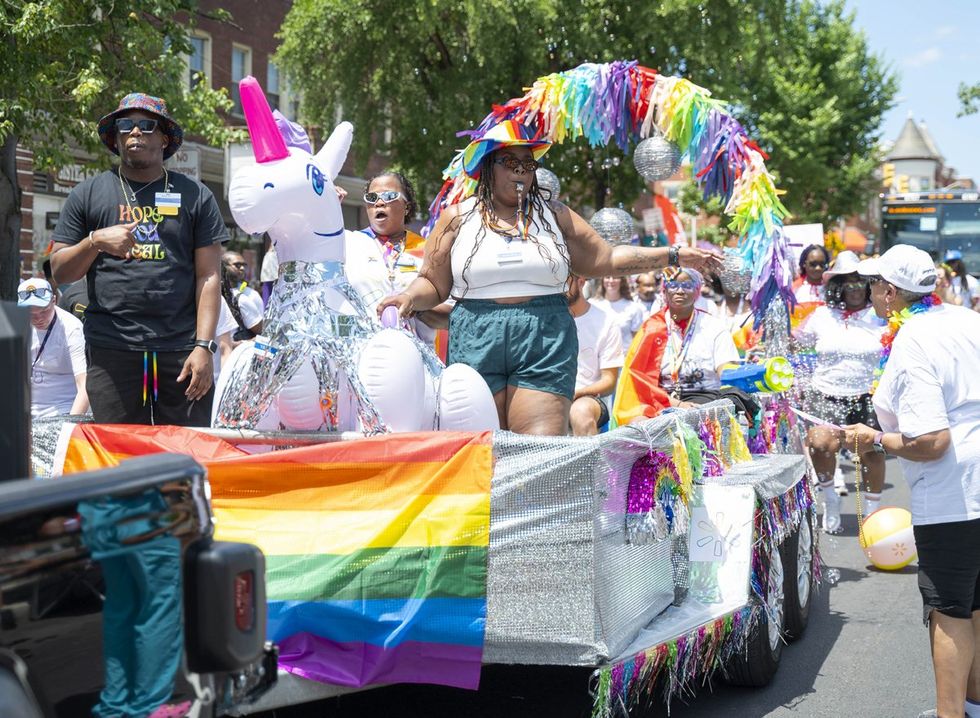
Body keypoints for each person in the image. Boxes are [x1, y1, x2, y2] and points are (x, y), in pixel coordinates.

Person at [378, 120, 721, 435]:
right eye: (512, 163)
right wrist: (408, 297)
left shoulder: (555, 215)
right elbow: (434, 284)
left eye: (529, 165)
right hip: (477, 334)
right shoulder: (457, 218)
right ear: (487, 167)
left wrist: (674, 255)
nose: (522, 172)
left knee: (538, 451)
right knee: (484, 447)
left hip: (544, 335)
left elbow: (607, 259)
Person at [843, 244, 980, 718]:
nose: (869, 292)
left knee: (950, 609)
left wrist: (876, 438)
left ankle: (949, 715)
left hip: (954, 493)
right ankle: (971, 706)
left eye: (873, 284)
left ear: (889, 292)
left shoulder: (913, 338)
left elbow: (932, 440)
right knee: (974, 604)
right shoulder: (966, 318)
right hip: (973, 486)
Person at [49, 93, 225, 427]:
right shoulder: (88, 193)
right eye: (125, 125)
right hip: (112, 349)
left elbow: (209, 277)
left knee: (185, 455)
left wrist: (204, 346)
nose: (135, 133)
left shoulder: (195, 195)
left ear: (164, 137)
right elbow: (60, 272)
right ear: (115, 136)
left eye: (147, 125)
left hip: (181, 349)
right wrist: (94, 241)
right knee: (118, 454)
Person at [793, 251, 886, 533]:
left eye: (861, 281)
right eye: (849, 281)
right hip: (825, 394)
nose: (856, 287)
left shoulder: (880, 316)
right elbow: (795, 343)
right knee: (820, 445)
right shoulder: (821, 315)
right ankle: (830, 498)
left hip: (867, 397)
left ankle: (872, 514)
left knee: (872, 453)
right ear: (838, 285)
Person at [612, 268, 740, 425]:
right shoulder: (652, 328)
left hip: (705, 398)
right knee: (638, 424)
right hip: (660, 401)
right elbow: (640, 381)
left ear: (697, 291)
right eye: (673, 285)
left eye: (687, 285)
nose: (680, 291)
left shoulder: (714, 327)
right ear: (665, 292)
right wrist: (677, 405)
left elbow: (727, 371)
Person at [345, 171, 447, 341]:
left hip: (417, 359)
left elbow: (450, 316)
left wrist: (414, 306)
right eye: (371, 198)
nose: (379, 203)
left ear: (406, 206)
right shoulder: (348, 243)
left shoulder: (428, 251)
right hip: (361, 355)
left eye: (389, 196)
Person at [17, 278, 89, 417]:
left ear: (54, 301)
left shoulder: (71, 328)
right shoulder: (15, 323)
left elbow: (84, 386)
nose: (38, 318)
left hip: (63, 409)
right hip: (25, 410)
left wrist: (69, 425)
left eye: (44, 311)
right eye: (30, 313)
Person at [566, 274, 624, 435]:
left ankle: (590, 461)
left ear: (581, 281)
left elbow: (609, 381)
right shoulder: (545, 319)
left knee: (580, 412)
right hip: (551, 394)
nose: (560, 288)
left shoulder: (605, 320)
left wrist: (577, 393)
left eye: (565, 282)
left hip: (588, 398)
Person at [589, 276, 646, 353]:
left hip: (624, 360)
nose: (611, 281)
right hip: (598, 359)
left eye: (615, 277)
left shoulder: (633, 308)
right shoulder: (592, 305)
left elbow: (637, 340)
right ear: (602, 280)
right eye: (607, 277)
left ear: (622, 281)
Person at [220, 251, 264, 340]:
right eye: (237, 265)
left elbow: (262, 332)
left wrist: (241, 344)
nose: (242, 268)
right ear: (223, 267)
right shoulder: (214, 295)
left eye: (244, 265)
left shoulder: (250, 296)